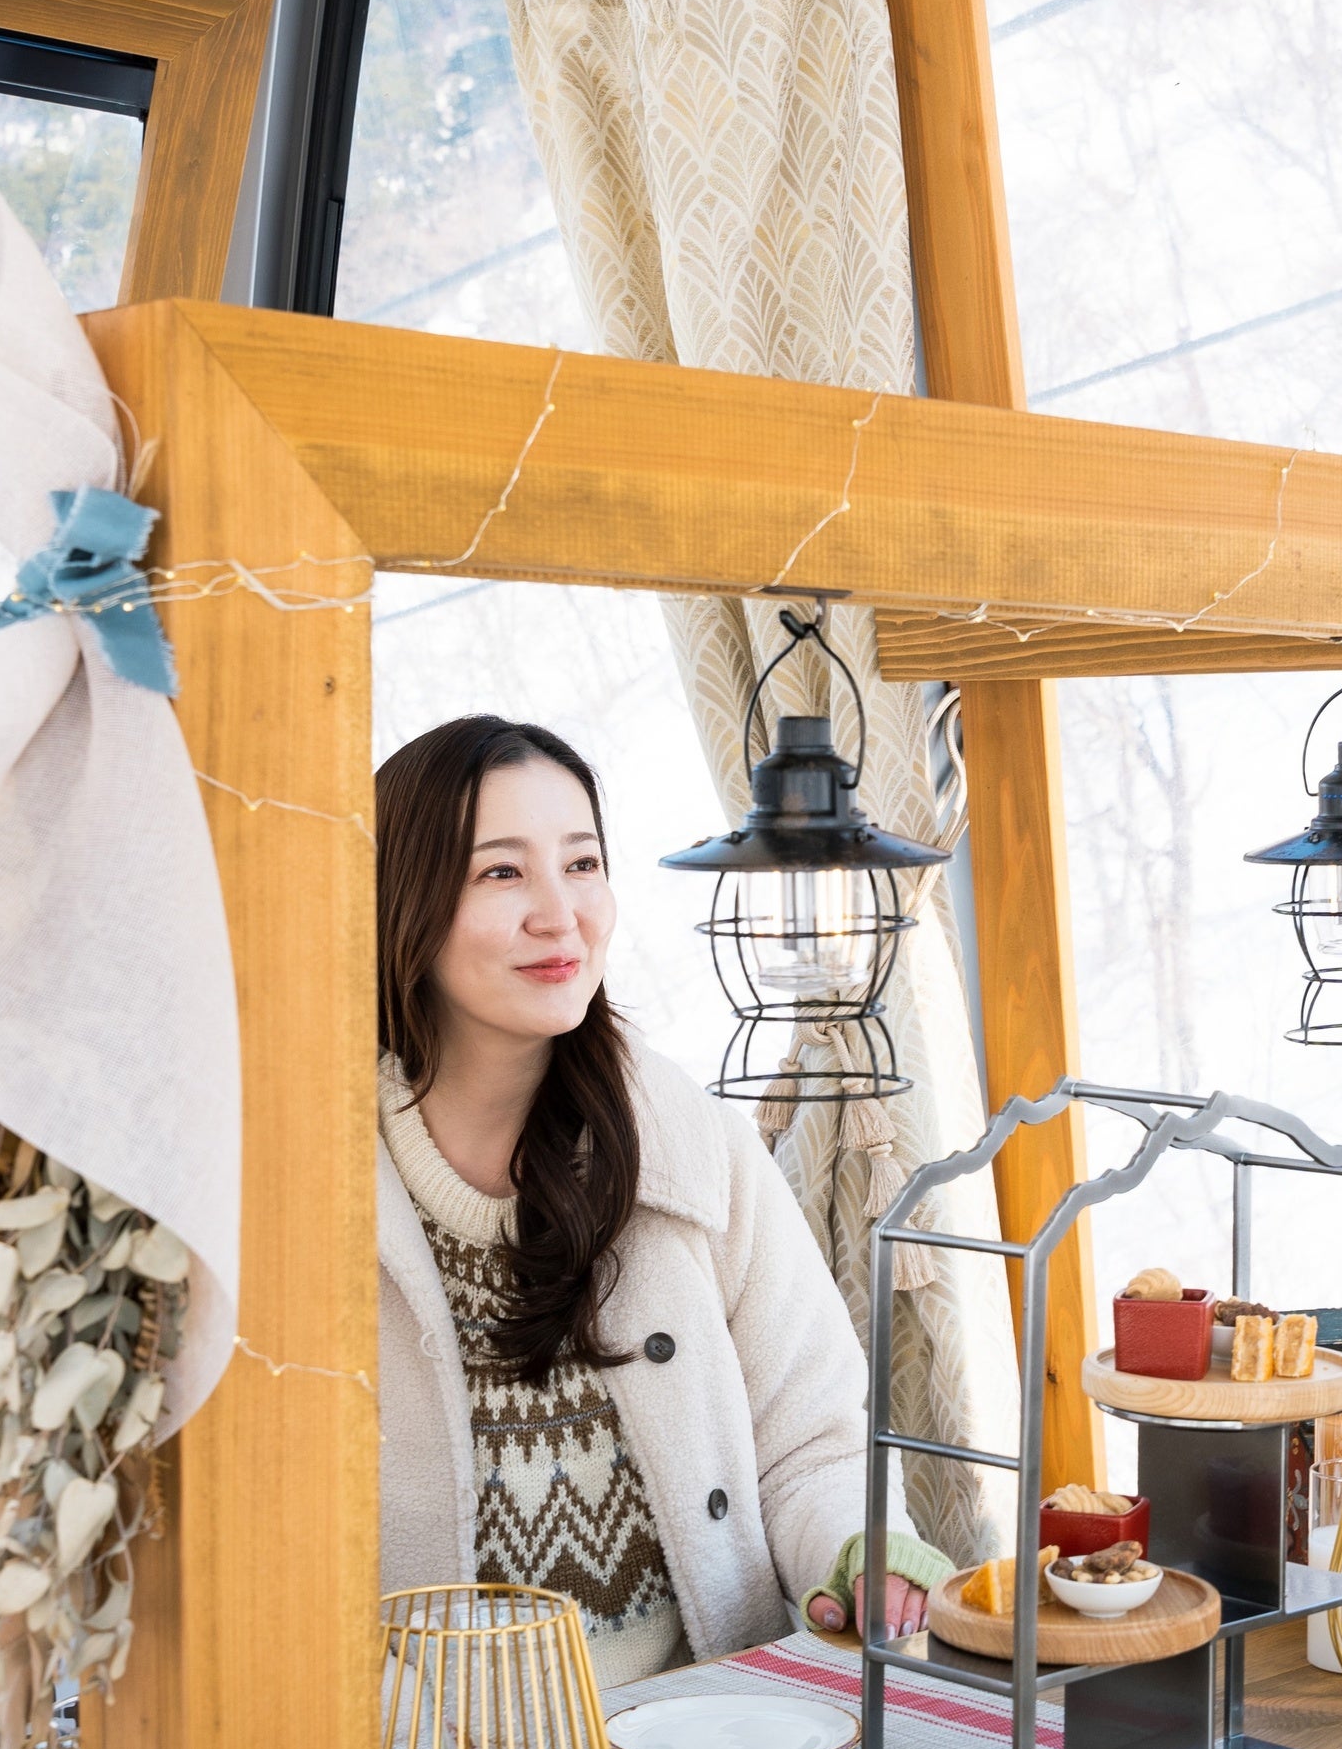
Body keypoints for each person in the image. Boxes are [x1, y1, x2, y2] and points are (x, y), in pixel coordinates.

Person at [371, 716, 939, 1683]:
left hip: (707, 1728)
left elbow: (814, 1448)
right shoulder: (312, 1197)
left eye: (582, 864)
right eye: (501, 872)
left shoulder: (692, 1149)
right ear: (403, 899)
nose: (562, 916)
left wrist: (863, 1554)